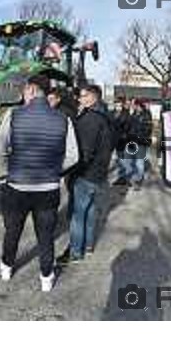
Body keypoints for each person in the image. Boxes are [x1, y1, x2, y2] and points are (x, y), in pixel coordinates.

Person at [0, 74, 79, 292]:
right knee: (46, 236)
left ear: (30, 90)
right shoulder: (63, 119)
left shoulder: (13, 115)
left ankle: (6, 268)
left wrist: (11, 169)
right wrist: (54, 172)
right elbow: (73, 156)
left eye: (23, 90)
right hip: (48, 190)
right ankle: (46, 278)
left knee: (12, 231)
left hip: (16, 188)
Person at [61, 84, 112, 263]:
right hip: (99, 173)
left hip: (86, 174)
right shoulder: (105, 115)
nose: (79, 99)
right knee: (89, 211)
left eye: (82, 96)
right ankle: (88, 246)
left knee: (78, 214)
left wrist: (71, 171)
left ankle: (75, 251)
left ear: (92, 97)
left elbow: (85, 151)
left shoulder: (91, 119)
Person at [112, 98, 132, 185]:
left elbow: (128, 127)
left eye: (119, 105)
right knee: (120, 160)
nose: (117, 107)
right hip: (116, 140)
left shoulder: (126, 114)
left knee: (124, 160)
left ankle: (125, 178)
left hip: (124, 140)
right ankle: (121, 177)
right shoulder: (112, 114)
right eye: (116, 105)